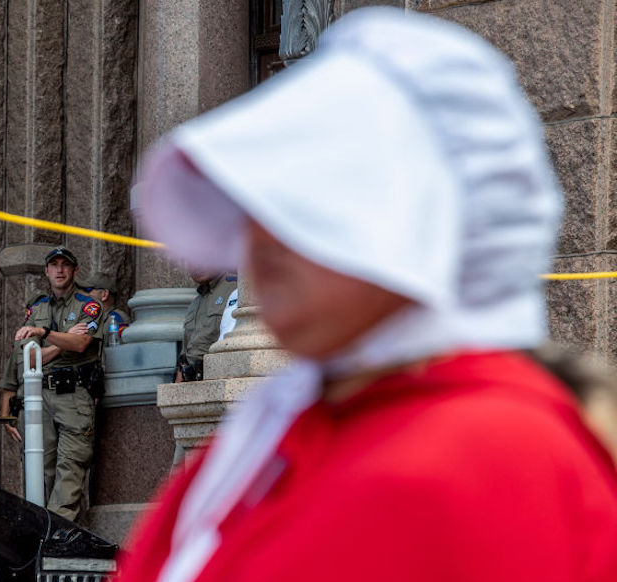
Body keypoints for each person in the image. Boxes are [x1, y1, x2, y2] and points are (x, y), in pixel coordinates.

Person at [119, 8, 617, 582]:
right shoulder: (280, 427)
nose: (263, 235)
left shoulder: (488, 453)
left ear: (428, 226)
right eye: (265, 198)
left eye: (321, 202)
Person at [13, 246, 107, 522]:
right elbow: (29, 359)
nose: (60, 270)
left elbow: (81, 344)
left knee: (70, 467)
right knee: (44, 468)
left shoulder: (88, 305)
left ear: (75, 270)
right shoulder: (37, 308)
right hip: (41, 396)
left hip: (74, 396)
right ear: (46, 271)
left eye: (65, 265)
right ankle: (56, 529)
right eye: (54, 265)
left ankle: (55, 532)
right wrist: (60, 337)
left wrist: (44, 335)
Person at [176, 269, 236, 382]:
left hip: (220, 378)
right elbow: (184, 357)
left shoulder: (235, 290)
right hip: (192, 381)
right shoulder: (195, 303)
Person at [79, 271, 131, 342]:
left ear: (104, 294)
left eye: (88, 290)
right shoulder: (89, 318)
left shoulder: (116, 319)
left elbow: (120, 347)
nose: (84, 294)